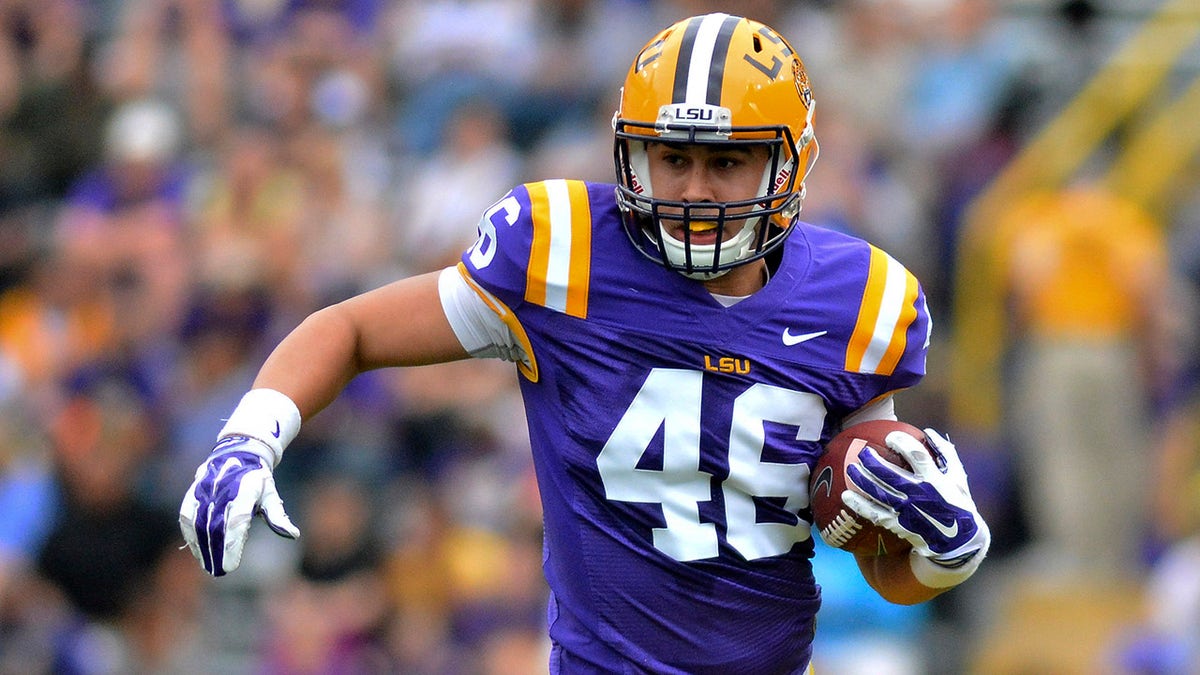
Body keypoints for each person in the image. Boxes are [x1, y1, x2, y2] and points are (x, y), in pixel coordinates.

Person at [179, 13, 990, 673]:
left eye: (730, 161)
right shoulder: (562, 250)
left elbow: (873, 549)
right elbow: (352, 327)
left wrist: (946, 555)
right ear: (632, 151)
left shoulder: (862, 300)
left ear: (792, 162)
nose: (696, 191)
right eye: (673, 157)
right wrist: (253, 433)